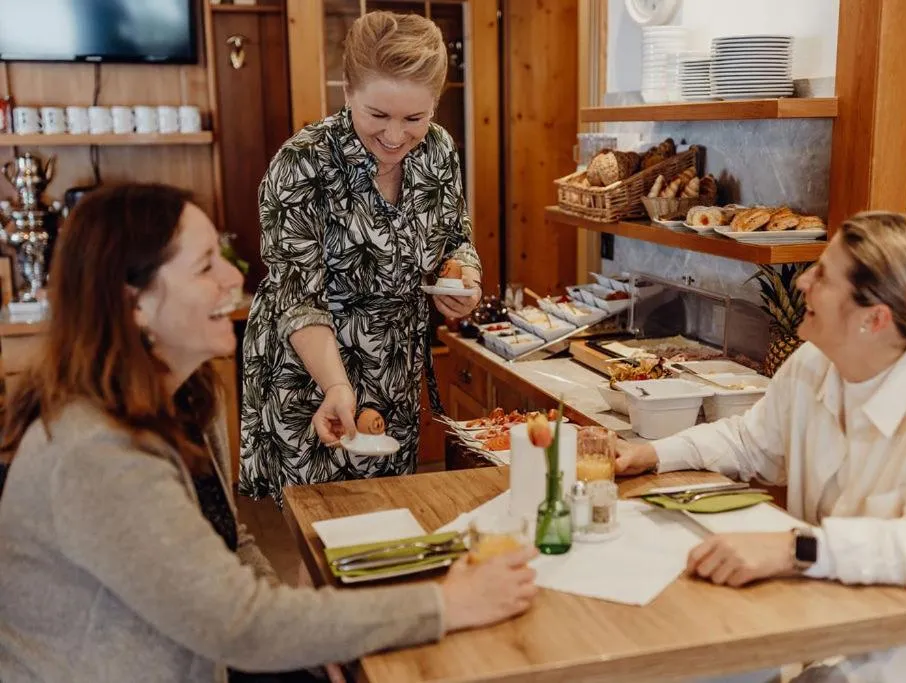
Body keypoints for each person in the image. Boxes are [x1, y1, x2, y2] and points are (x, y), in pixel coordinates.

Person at [0, 184, 537, 683]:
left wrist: (308, 633)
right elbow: (240, 624)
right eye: (206, 266)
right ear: (134, 303)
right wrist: (448, 604)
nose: (236, 279)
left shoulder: (187, 398)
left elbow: (231, 546)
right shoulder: (96, 454)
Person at [616, 212, 906, 682]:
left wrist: (796, 550)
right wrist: (651, 454)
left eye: (824, 275)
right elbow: (751, 441)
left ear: (875, 318)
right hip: (839, 626)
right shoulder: (815, 364)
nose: (804, 281)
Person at [239, 11, 481, 505]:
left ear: (435, 103)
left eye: (415, 117)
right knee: (321, 522)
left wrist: (466, 275)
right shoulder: (301, 163)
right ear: (347, 92)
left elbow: (456, 236)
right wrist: (335, 385)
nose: (395, 136)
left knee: (388, 510)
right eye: (378, 115)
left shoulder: (439, 152)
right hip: (313, 368)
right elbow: (297, 298)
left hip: (393, 365)